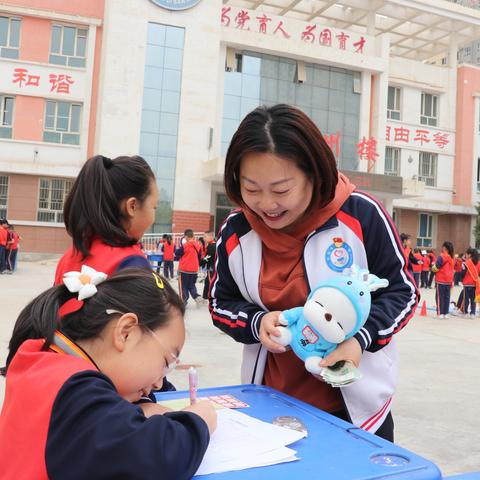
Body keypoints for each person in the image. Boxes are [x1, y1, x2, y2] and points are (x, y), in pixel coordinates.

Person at [210, 104, 418, 442]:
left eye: (281, 190)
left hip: (357, 415)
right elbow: (221, 302)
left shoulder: (362, 216)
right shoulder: (236, 232)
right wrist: (256, 323)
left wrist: (358, 341)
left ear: (313, 173)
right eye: (251, 189)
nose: (266, 205)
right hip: (271, 408)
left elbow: (402, 292)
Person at [0, 268, 216, 479]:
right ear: (126, 332)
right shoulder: (75, 392)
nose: (160, 383)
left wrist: (141, 401)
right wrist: (199, 421)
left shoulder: (46, 359)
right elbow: (158, 457)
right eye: (166, 363)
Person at [177, 229, 203, 307]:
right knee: (191, 285)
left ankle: (183, 301)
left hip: (184, 269)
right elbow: (199, 256)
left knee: (183, 286)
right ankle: (197, 297)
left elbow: (177, 253)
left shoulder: (185, 246)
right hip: (194, 270)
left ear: (186, 237)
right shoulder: (198, 245)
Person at [432, 241, 454, 319]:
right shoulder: (451, 258)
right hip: (449, 281)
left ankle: (440, 313)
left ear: (444, 248)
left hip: (441, 280)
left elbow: (436, 267)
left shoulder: (441, 256)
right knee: (447, 297)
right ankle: (446, 313)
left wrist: (432, 267)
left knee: (439, 297)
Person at [460, 247, 480, 317]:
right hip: (474, 284)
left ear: (470, 255)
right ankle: (473, 313)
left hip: (467, 284)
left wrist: (461, 279)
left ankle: (465, 312)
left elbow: (462, 273)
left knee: (466, 299)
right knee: (473, 299)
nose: (466, 255)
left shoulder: (466, 263)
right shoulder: (478, 263)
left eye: (467, 254)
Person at [201, 231, 216, 300]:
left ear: (211, 237)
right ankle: (205, 297)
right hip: (213, 267)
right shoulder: (214, 244)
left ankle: (211, 297)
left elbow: (208, 257)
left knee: (210, 283)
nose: (204, 238)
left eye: (205, 237)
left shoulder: (211, 246)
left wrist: (200, 263)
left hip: (211, 268)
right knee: (207, 282)